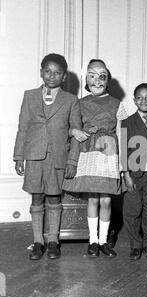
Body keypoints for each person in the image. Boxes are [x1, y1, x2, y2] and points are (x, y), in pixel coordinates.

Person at [13, 53, 82, 260]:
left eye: (57, 73)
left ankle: (53, 241)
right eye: (48, 71)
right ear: (41, 72)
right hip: (34, 157)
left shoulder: (70, 100)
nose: (52, 76)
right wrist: (18, 156)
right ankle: (38, 242)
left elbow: (77, 132)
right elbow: (23, 128)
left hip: (57, 159)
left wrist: (72, 160)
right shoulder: (29, 96)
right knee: (37, 198)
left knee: (54, 198)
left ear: (64, 77)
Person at [63, 59, 128, 258]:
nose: (97, 81)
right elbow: (68, 128)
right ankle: (92, 241)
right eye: (92, 76)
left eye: (102, 77)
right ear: (87, 80)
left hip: (108, 154)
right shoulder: (79, 103)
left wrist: (123, 166)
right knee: (93, 198)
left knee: (106, 200)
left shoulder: (118, 104)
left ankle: (103, 241)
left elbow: (123, 134)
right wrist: (76, 131)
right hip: (88, 153)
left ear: (107, 80)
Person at [120, 83, 147, 261]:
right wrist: (126, 175)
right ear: (134, 100)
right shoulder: (127, 122)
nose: (144, 101)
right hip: (133, 175)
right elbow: (122, 150)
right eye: (140, 98)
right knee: (132, 210)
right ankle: (135, 245)